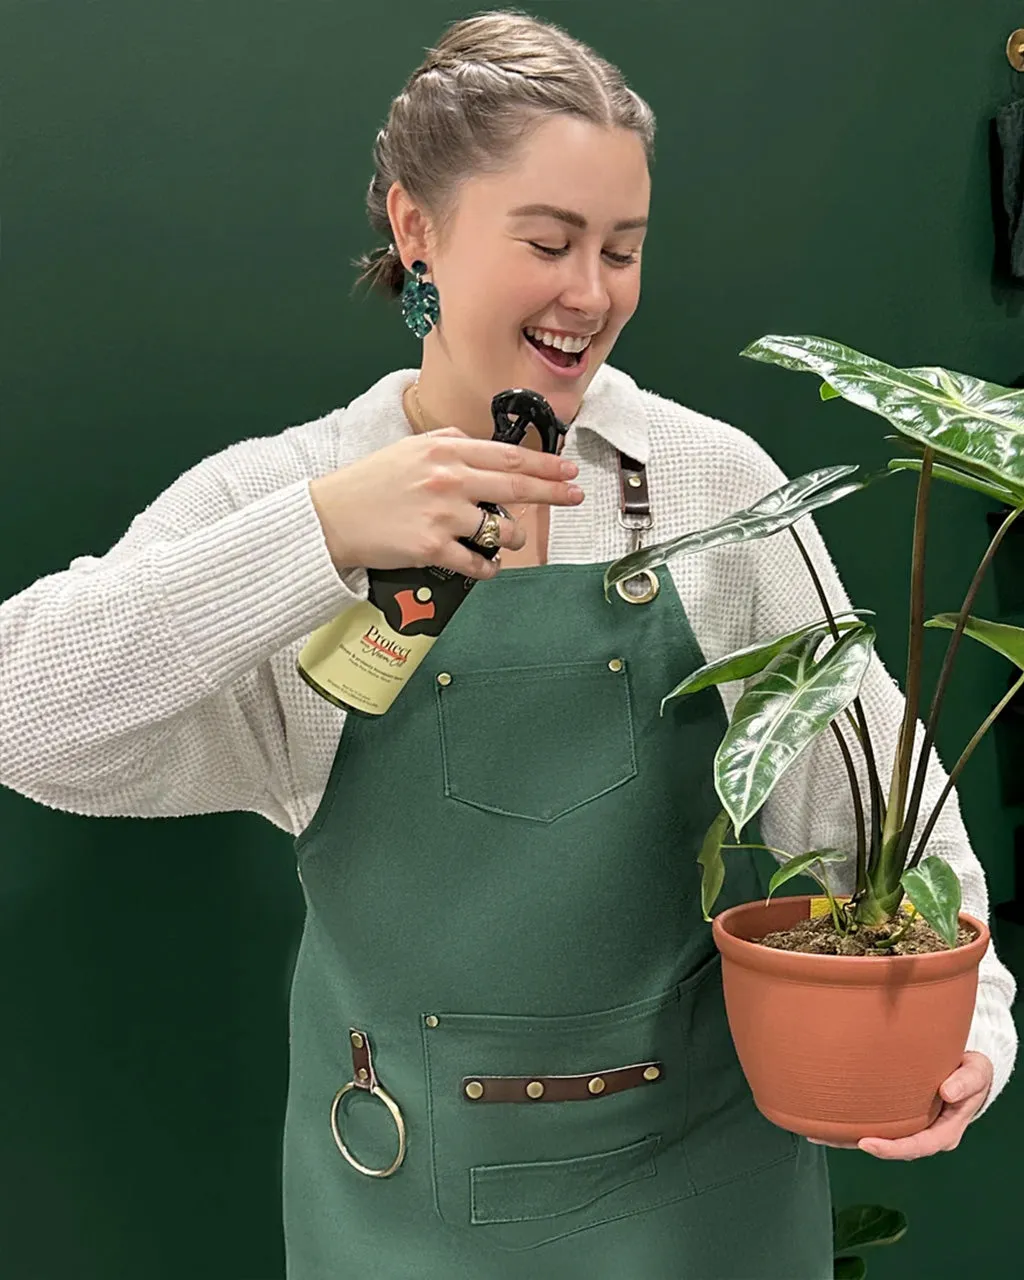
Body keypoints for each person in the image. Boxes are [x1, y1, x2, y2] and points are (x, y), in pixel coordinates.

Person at [0, 10, 1016, 1279]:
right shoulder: (290, 488)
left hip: (706, 1191)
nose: (589, 293)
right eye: (547, 241)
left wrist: (970, 1017)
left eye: (623, 250)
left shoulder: (711, 483)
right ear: (415, 226)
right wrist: (321, 533)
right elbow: (23, 714)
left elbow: (876, 804)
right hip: (403, 1189)